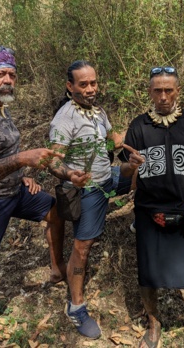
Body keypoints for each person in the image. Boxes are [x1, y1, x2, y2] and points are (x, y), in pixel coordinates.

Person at [0, 45, 85, 348]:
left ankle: (55, 266)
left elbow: (2, 154)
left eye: (12, 74)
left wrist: (64, 173)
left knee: (53, 209)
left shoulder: (0, 107)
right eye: (0, 74)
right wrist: (21, 160)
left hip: (14, 191)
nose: (8, 79)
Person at [120, 66, 184, 348]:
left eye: (168, 90)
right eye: (157, 90)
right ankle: (154, 324)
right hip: (149, 212)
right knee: (148, 273)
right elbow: (125, 171)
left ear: (177, 91)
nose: (163, 96)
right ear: (149, 92)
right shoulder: (138, 125)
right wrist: (130, 166)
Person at [46, 60, 132, 339]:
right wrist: (70, 174)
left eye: (93, 82)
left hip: (109, 177)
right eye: (83, 84)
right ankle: (76, 307)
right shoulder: (64, 118)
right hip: (89, 190)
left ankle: (139, 224)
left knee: (149, 174)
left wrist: (124, 149)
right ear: (70, 87)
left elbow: (109, 142)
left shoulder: (98, 112)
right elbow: (52, 161)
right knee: (83, 247)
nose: (91, 88)